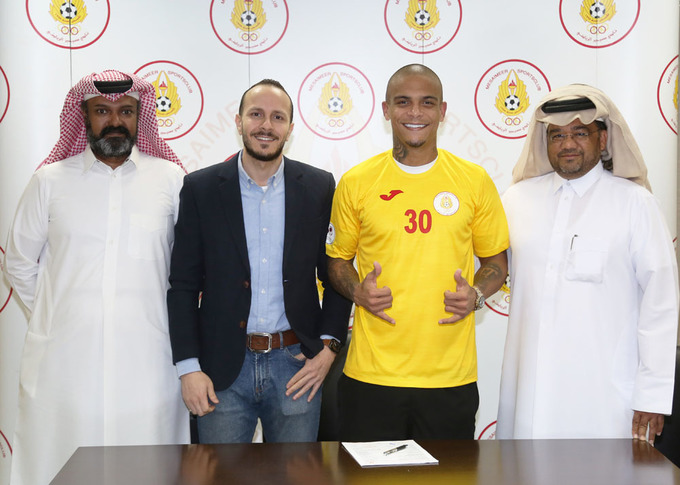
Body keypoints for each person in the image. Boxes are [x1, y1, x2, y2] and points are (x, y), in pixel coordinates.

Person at [3, 70, 190, 485]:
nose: (115, 121)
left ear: (140, 117)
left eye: (126, 111)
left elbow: (190, 268)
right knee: (61, 461)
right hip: (66, 362)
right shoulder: (49, 181)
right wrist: (56, 316)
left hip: (149, 360)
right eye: (102, 111)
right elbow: (18, 263)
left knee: (149, 467)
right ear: (84, 117)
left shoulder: (171, 180)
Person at [326, 64, 509, 441]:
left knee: (448, 472)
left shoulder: (473, 180)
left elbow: (495, 263)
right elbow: (337, 260)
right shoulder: (356, 182)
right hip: (371, 377)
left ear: (442, 111)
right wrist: (357, 291)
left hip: (449, 378)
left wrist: (476, 294)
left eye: (427, 102)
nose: (415, 112)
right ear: (386, 110)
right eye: (403, 102)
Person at [167, 79, 352, 443]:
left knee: (297, 472)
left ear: (290, 128)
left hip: (297, 367)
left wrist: (329, 349)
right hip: (221, 371)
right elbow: (183, 286)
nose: (266, 125)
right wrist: (188, 368)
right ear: (238, 121)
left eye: (277, 117)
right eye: (256, 114)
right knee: (221, 473)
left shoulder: (318, 187)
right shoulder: (201, 189)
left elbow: (336, 273)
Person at [497, 84, 679, 444]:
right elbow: (483, 266)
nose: (568, 144)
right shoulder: (515, 201)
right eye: (557, 135)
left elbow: (661, 305)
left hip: (607, 399)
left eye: (580, 133)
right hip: (528, 391)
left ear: (603, 139)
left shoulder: (635, 204)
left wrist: (652, 395)